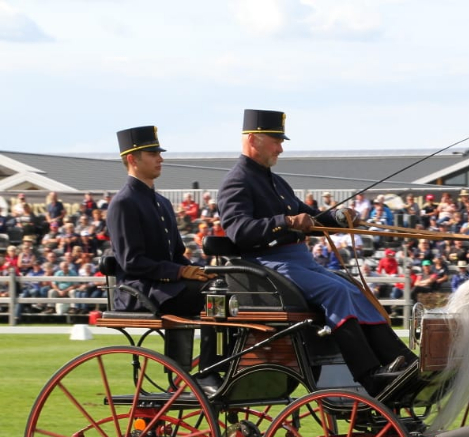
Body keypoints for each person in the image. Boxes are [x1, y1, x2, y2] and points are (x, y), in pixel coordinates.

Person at [217, 109, 415, 396]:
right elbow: (239, 231)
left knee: (354, 288)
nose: (281, 148)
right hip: (269, 264)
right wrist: (284, 222)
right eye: (275, 140)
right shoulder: (237, 181)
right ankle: (370, 375)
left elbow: (311, 217)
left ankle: (403, 362)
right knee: (336, 292)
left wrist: (339, 218)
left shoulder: (275, 182)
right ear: (253, 140)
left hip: (299, 261)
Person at [105, 126, 220, 389]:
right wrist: (180, 272)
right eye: (153, 153)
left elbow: (177, 255)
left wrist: (197, 270)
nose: (160, 158)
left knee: (223, 286)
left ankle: (215, 367)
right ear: (133, 159)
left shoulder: (162, 203)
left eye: (159, 152)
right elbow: (131, 262)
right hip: (141, 289)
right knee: (214, 295)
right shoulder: (124, 203)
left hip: (166, 285)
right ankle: (206, 373)